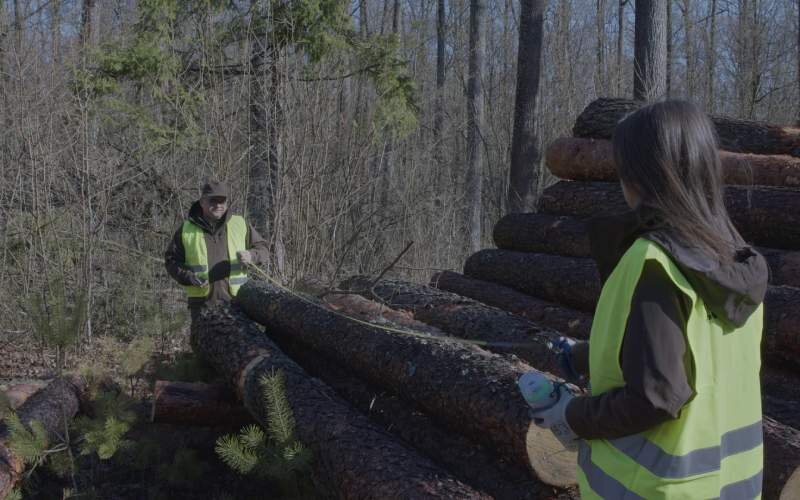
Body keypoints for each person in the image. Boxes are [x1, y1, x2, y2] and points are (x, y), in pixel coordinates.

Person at [521, 101, 768, 499]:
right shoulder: (734, 259)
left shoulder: (653, 262)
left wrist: (572, 415)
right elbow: (697, 360)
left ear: (638, 176)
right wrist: (586, 356)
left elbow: (655, 398)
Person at [165, 180, 269, 322]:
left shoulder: (240, 224)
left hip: (238, 304)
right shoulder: (185, 229)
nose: (219, 205)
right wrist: (188, 276)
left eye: (222, 200)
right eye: (213, 201)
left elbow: (263, 249)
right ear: (202, 202)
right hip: (201, 307)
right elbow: (171, 262)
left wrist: (252, 255)